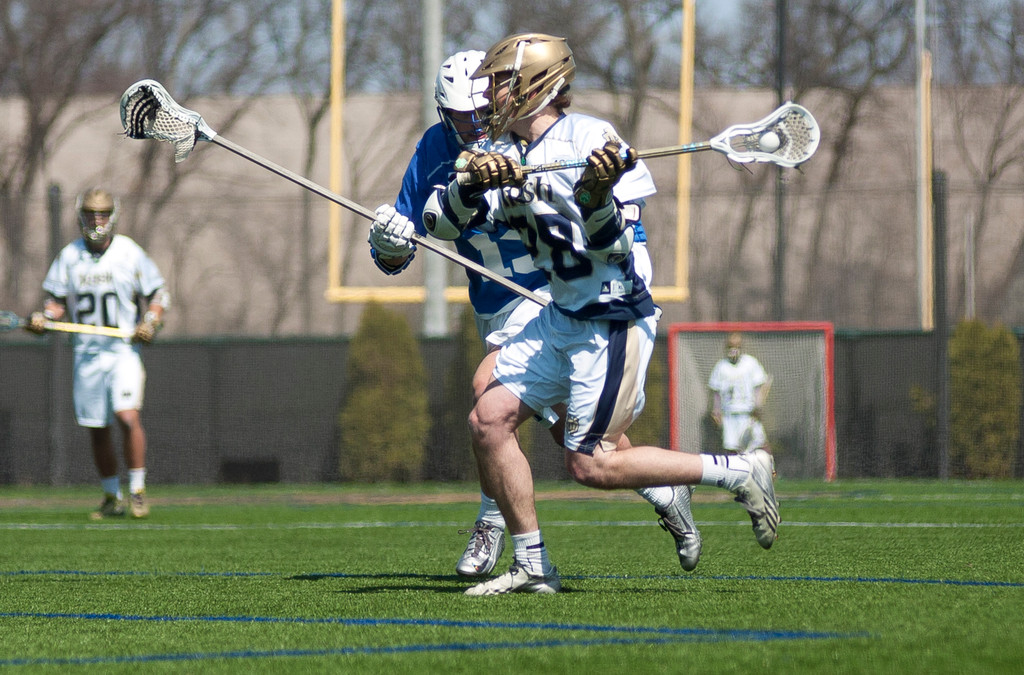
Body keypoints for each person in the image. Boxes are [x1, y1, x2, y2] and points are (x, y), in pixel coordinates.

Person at [422, 33, 779, 595]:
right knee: (487, 420)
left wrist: (594, 200)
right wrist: (469, 190)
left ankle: (737, 470)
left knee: (590, 464)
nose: (488, 95)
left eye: (497, 82)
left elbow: (618, 250)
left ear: (531, 85)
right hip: (561, 312)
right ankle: (534, 565)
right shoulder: (501, 152)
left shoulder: (591, 138)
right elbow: (438, 225)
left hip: (611, 316)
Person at [368, 51, 701, 578]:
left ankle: (496, 529)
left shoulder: (528, 140)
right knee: (572, 434)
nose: (477, 127)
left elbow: (615, 225)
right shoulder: (434, 150)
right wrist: (387, 242)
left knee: (488, 399)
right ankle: (665, 491)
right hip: (494, 305)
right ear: (443, 115)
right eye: (463, 119)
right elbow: (406, 243)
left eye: (484, 113)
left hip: (553, 294)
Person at [27, 187, 169, 520]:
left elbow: (158, 294)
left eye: (102, 213)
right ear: (81, 217)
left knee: (126, 415)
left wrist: (150, 321)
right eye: (91, 214)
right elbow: (56, 302)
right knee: (97, 426)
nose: (97, 220)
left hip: (122, 350)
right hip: (88, 355)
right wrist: (43, 318)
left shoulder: (128, 252)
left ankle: (137, 491)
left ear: (112, 216)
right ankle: (110, 496)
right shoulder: (70, 256)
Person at [709, 332, 771, 453]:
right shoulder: (721, 367)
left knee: (760, 445)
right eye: (730, 347)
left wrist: (758, 406)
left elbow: (759, 386)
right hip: (730, 415)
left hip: (749, 414)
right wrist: (716, 410)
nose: (733, 350)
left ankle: (769, 471)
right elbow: (716, 392)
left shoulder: (750, 363)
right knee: (732, 450)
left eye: (736, 347)